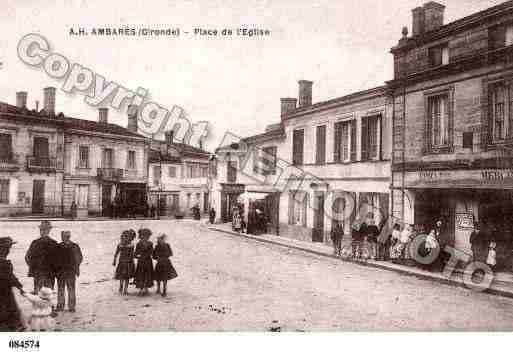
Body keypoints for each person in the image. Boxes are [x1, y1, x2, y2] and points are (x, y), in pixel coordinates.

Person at [25, 221, 59, 295]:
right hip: (49, 273)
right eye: (41, 230)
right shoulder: (54, 243)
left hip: (40, 273)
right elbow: (58, 260)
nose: (42, 231)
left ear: (48, 231)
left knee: (39, 294)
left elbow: (28, 257)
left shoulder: (35, 243)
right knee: (48, 294)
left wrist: (33, 267)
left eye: (43, 230)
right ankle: (48, 306)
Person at [0, 237, 25, 331]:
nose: (9, 250)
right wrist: (20, 287)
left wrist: (19, 286)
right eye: (8, 247)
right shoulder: (4, 263)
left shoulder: (4, 262)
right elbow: (10, 277)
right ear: (3, 249)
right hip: (5, 293)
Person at [56, 231, 83, 312]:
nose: (63, 237)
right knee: (69, 289)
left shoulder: (59, 246)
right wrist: (76, 267)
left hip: (63, 272)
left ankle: (62, 306)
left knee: (63, 289)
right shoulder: (74, 246)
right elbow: (80, 258)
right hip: (68, 272)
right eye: (63, 236)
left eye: (64, 236)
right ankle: (70, 307)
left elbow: (79, 258)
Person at [113, 230, 135, 295]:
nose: (126, 238)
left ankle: (125, 289)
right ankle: (121, 286)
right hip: (122, 262)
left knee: (126, 277)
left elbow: (132, 254)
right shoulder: (120, 245)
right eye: (125, 237)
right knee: (122, 276)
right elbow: (116, 253)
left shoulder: (131, 245)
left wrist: (132, 262)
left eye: (128, 237)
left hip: (128, 262)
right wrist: (114, 260)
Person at [134, 228, 154, 296]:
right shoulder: (138, 244)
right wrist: (138, 256)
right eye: (143, 235)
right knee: (141, 275)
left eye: (147, 236)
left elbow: (152, 252)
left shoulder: (150, 243)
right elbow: (135, 253)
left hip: (148, 261)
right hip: (141, 261)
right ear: (141, 236)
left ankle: (146, 288)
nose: (145, 237)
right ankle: (141, 288)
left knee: (148, 274)